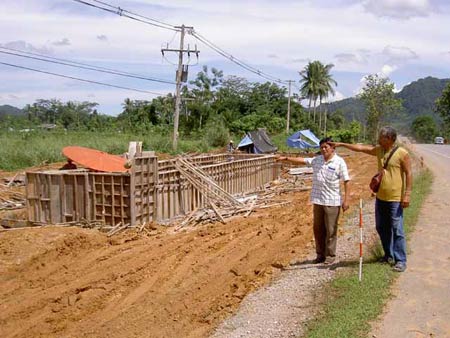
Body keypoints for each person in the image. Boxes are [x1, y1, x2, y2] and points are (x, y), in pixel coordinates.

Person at [331, 126, 412, 272]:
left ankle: (400, 260)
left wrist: (407, 194)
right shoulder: (378, 150)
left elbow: (409, 173)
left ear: (390, 139)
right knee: (381, 227)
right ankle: (388, 255)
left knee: (397, 229)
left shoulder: (402, 153)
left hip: (395, 199)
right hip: (381, 197)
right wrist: (342, 144)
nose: (379, 139)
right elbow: (360, 148)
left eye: (381, 137)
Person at [277, 137, 350, 265]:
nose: (323, 149)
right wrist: (286, 158)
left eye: (326, 147)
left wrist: (346, 200)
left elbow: (346, 181)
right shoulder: (317, 160)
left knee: (331, 229)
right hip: (318, 200)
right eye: (321, 147)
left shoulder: (339, 162)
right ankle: (320, 255)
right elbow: (302, 161)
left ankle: (330, 255)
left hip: (332, 201)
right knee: (318, 229)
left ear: (333, 148)